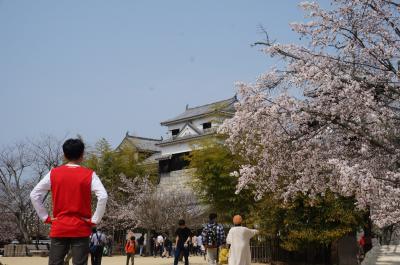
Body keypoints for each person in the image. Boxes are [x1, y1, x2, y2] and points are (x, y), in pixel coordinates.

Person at [30, 138, 108, 265]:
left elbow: (34, 195)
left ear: (65, 155)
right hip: (81, 227)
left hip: (60, 226)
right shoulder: (89, 174)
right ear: (82, 155)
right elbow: (103, 196)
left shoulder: (53, 173)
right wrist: (95, 220)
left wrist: (46, 217)